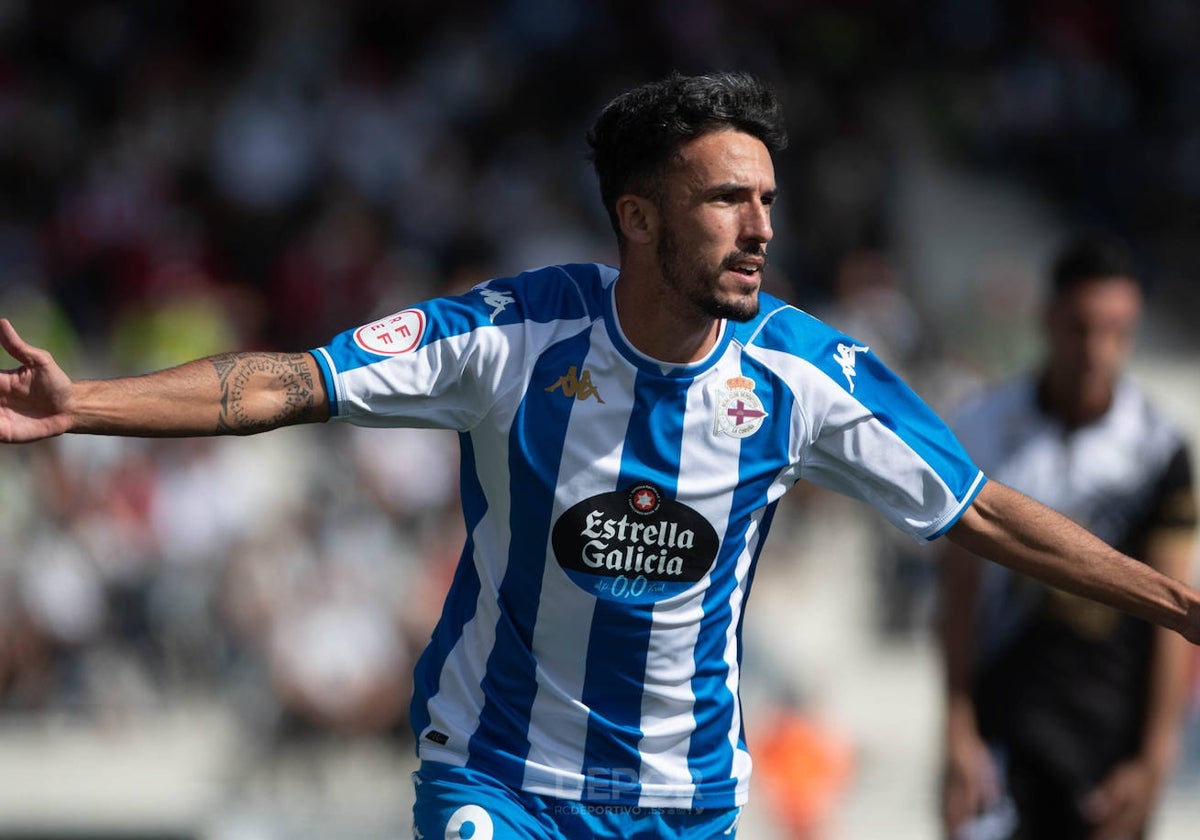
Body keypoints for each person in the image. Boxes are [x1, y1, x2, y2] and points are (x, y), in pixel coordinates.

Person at [1, 72, 1198, 840]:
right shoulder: (508, 336)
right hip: (501, 783)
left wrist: (1175, 605)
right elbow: (284, 384)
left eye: (768, 200)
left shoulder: (806, 376)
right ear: (639, 216)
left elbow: (980, 515)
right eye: (727, 200)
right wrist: (83, 401)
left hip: (688, 803)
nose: (763, 227)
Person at [939, 235, 1198, 840]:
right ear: (1049, 319)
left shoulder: (1158, 450)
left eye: (1117, 330)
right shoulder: (981, 428)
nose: (1097, 349)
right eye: (1082, 327)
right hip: (1003, 732)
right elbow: (958, 597)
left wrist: (1156, 758)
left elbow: (1173, 610)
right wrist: (957, 729)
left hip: (1107, 741)